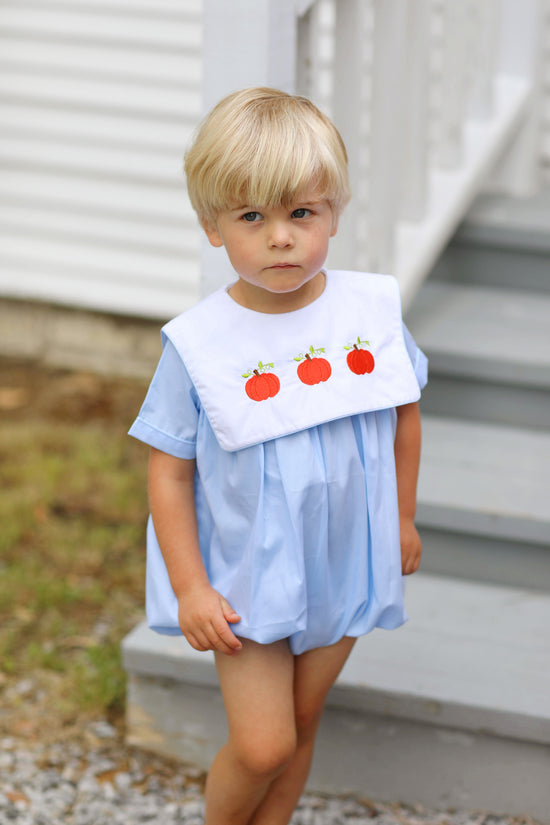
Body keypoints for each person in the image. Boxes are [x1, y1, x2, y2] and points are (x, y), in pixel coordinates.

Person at [129, 87, 427, 825]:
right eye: (252, 217)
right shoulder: (200, 345)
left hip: (344, 556)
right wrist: (192, 587)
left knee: (301, 723)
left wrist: (403, 517)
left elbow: (403, 415)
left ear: (334, 210)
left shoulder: (368, 313)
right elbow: (168, 470)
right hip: (248, 572)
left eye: (301, 212)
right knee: (263, 744)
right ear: (212, 226)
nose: (281, 238)